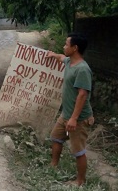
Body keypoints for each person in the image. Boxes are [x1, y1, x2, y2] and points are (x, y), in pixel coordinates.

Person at [46, 33, 94, 187]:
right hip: (66, 114)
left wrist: (73, 118)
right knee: (56, 137)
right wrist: (53, 55)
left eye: (66, 44)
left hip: (78, 117)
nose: (64, 47)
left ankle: (80, 181)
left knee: (78, 151)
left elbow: (82, 95)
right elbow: (61, 57)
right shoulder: (69, 61)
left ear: (75, 48)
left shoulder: (82, 69)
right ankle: (53, 165)